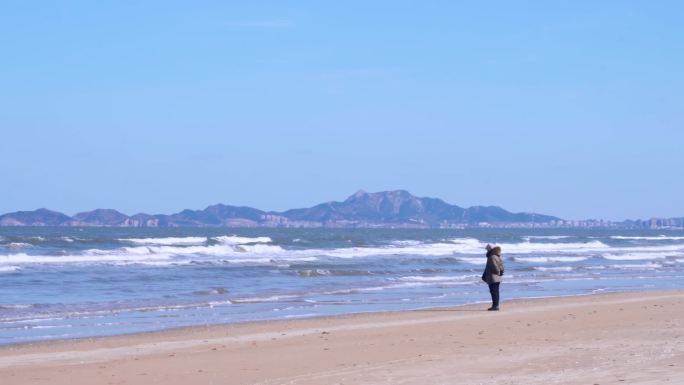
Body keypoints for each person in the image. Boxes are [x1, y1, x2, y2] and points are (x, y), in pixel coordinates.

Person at [481, 244, 504, 311]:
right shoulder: (497, 256)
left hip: (493, 277)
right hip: (497, 277)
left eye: (487, 250)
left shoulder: (491, 257)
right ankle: (495, 306)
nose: (487, 251)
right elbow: (502, 267)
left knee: (494, 292)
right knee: (495, 292)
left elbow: (495, 267)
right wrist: (500, 273)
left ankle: (495, 306)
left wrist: (497, 272)